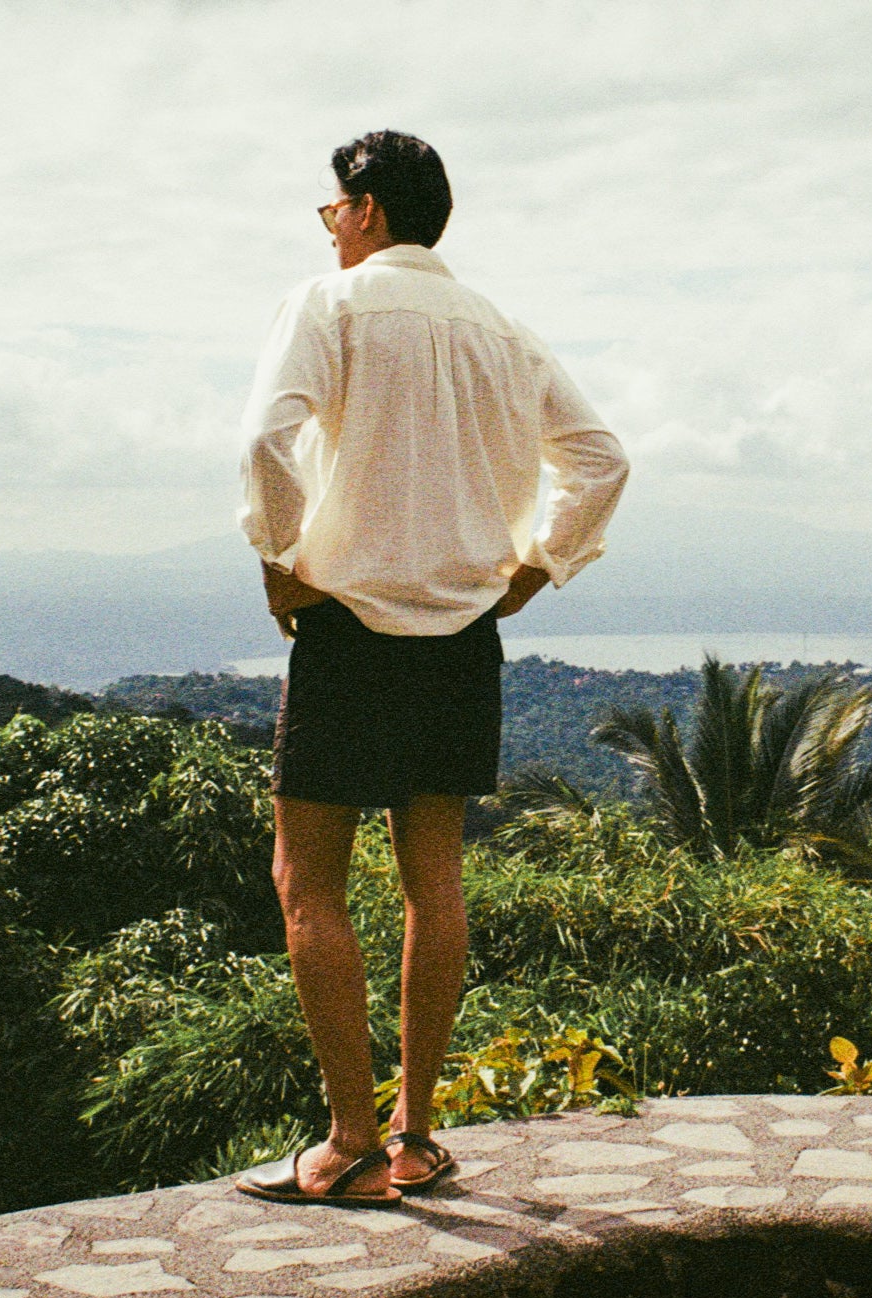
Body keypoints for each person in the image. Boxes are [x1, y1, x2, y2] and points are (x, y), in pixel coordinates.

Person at [233, 130, 629, 1207]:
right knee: (433, 880)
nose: (329, 227)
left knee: (306, 881)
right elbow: (601, 459)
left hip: (348, 630)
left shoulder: (328, 305)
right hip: (461, 636)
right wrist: (536, 567)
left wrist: (279, 561)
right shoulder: (499, 329)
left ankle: (348, 1145)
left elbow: (267, 442)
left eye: (332, 208)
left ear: (365, 208)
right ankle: (413, 1137)